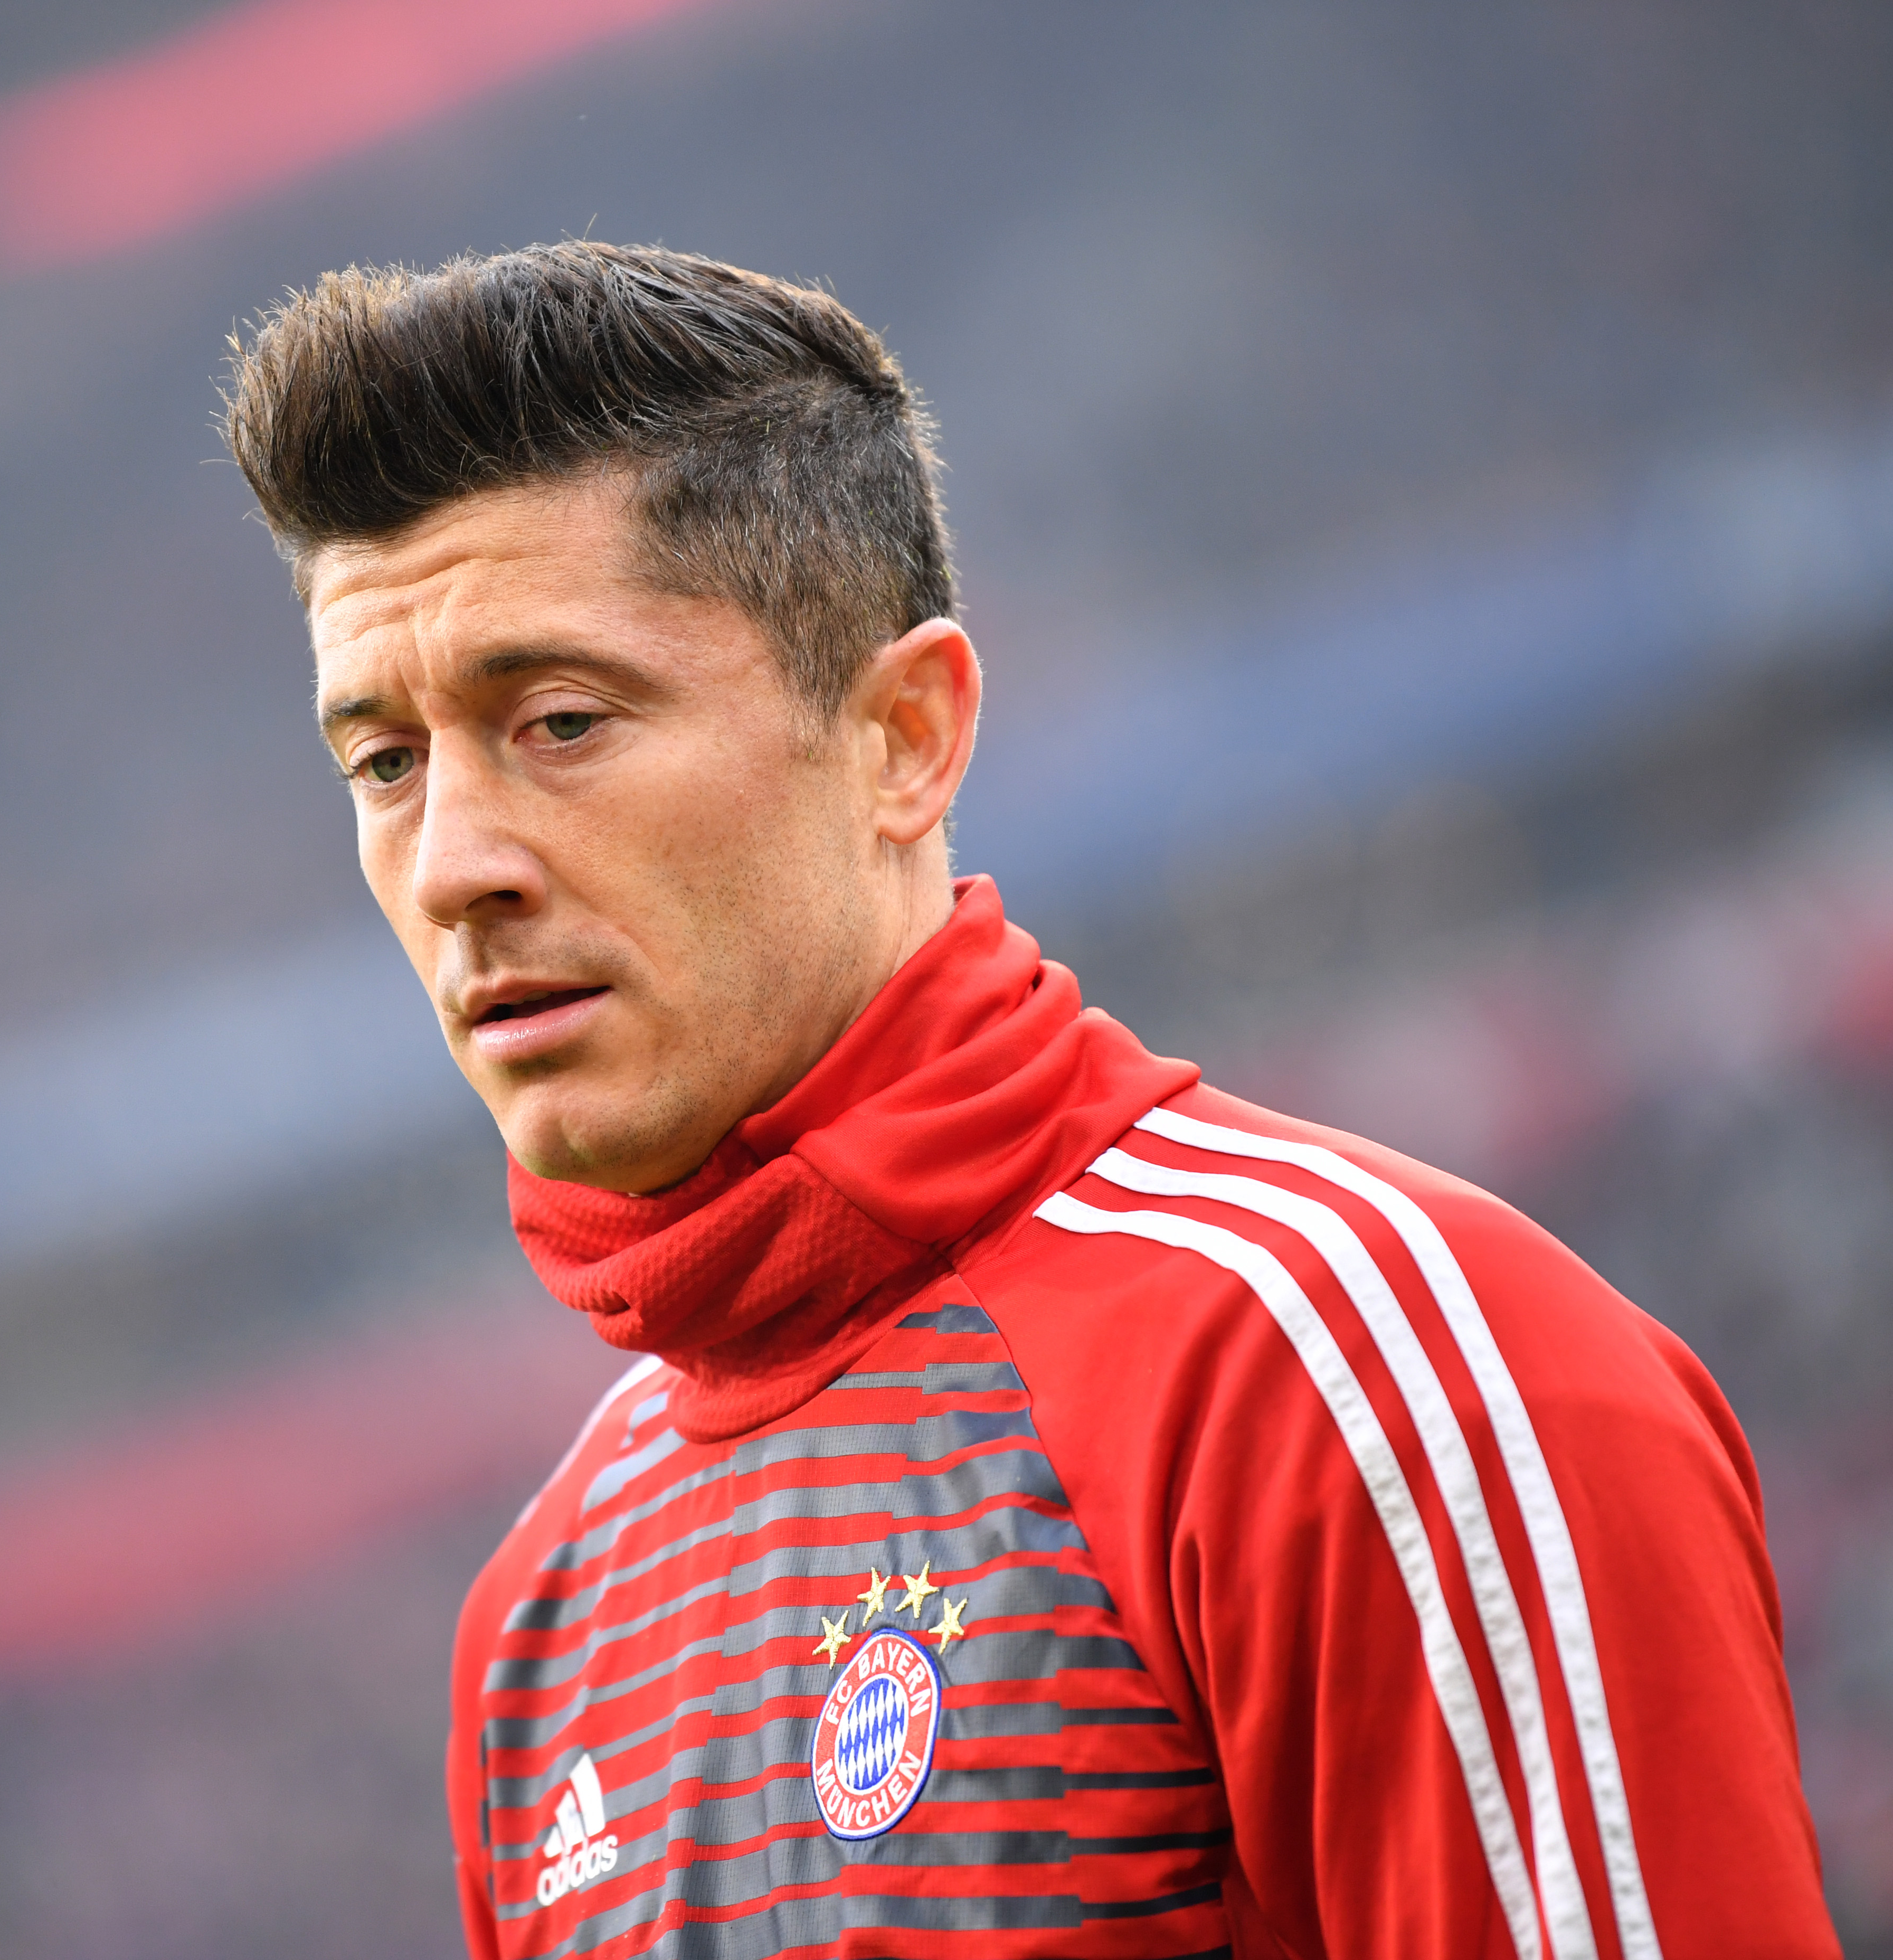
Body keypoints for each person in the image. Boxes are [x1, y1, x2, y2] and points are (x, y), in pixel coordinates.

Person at [221, 242, 1835, 1959]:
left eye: (557, 719)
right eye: (385, 764)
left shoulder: (1351, 1376)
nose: (454, 865)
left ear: (907, 735)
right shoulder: (536, 1634)